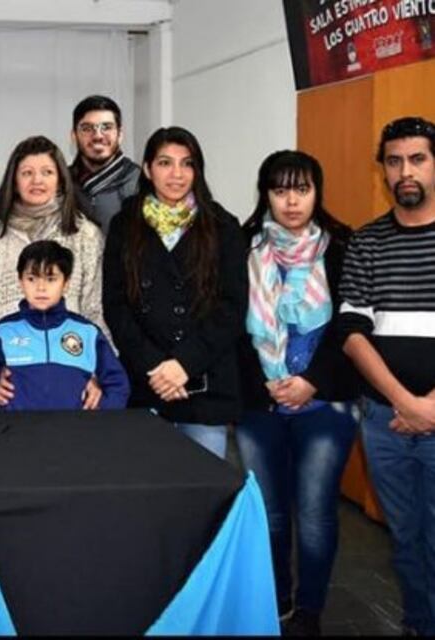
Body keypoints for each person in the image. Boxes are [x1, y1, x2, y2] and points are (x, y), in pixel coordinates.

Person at [236, 150, 360, 635]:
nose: (291, 201)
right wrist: (267, 382)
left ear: (317, 192)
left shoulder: (343, 246)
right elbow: (230, 324)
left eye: (302, 189)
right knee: (268, 513)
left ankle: (310, 609)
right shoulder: (243, 245)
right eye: (280, 189)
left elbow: (350, 326)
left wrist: (310, 381)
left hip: (325, 400)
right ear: (265, 193)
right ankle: (277, 600)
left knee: (313, 511)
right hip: (259, 399)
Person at [338, 116, 435, 636]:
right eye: (394, 161)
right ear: (383, 171)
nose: (406, 171)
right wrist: (407, 403)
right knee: (404, 538)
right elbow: (352, 332)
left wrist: (430, 406)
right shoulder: (368, 241)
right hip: (385, 421)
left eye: (417, 158)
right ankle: (419, 624)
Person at [102, 126, 247, 459]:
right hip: (147, 382)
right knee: (147, 497)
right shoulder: (126, 225)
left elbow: (232, 306)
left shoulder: (223, 226)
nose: (177, 174)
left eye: (187, 164)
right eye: (165, 163)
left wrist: (184, 364)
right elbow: (115, 303)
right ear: (149, 169)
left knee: (204, 497)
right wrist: (156, 366)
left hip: (205, 383)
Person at [0, 135, 107, 410]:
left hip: (70, 376)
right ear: (14, 180)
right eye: (27, 173)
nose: (36, 181)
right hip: (8, 382)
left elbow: (95, 310)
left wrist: (95, 371)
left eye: (47, 172)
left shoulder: (85, 235)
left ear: (61, 179)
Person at [0, 240, 129, 411]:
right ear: (20, 282)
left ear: (66, 283)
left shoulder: (87, 332)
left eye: (51, 279)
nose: (41, 288)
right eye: (32, 279)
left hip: (75, 433)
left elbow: (117, 384)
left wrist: (100, 419)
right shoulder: (4, 331)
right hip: (17, 433)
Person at [69, 95, 141, 231]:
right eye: (87, 128)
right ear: (74, 136)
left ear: (120, 135)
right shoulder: (61, 182)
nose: (98, 136)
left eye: (107, 127)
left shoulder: (142, 183)